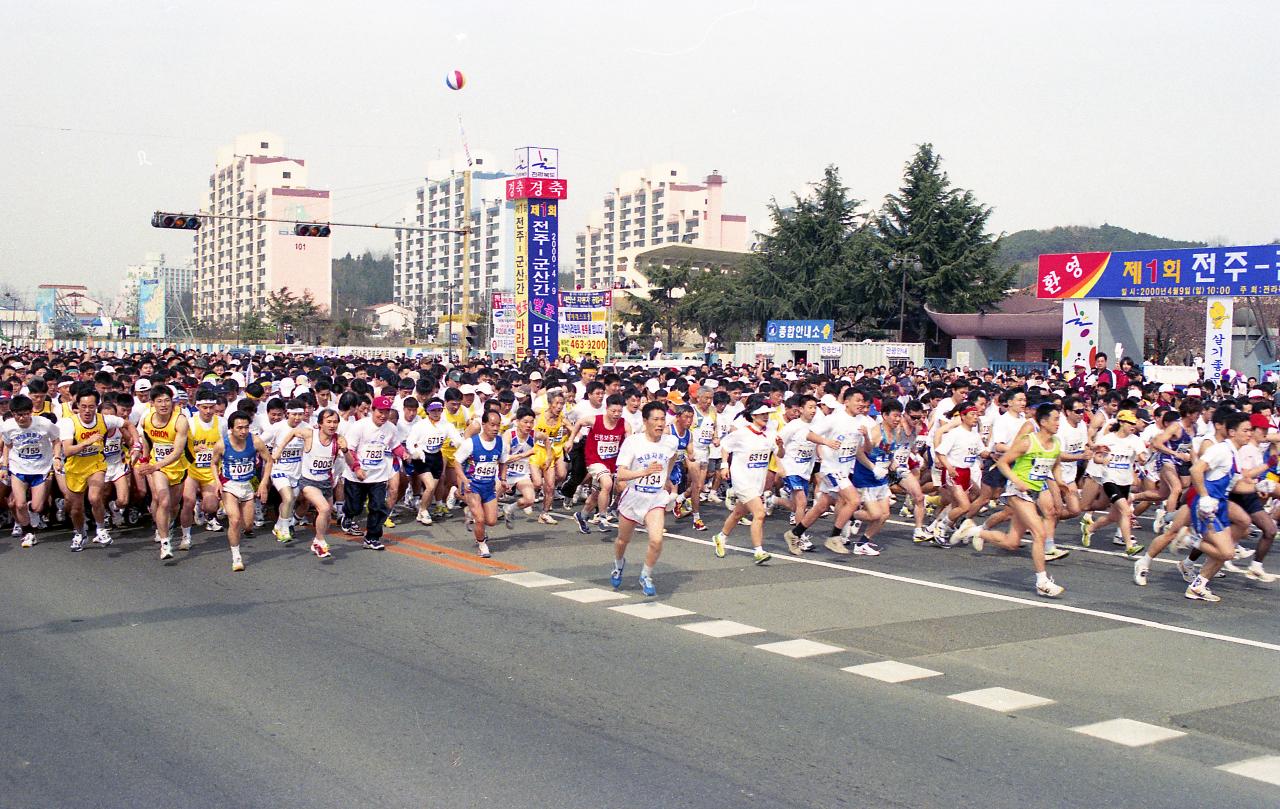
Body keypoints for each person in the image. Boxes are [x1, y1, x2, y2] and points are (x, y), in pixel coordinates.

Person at [958, 403, 1065, 598]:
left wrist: (1061, 482)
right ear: (1043, 421)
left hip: (1033, 493)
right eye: (1056, 419)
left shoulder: (1056, 443)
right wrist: (1017, 480)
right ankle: (1042, 581)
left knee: (1011, 542)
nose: (1059, 423)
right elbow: (1003, 462)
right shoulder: (1027, 442)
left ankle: (974, 530)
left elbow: (1055, 463)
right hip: (1017, 492)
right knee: (1039, 533)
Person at [611, 401, 679, 596]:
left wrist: (666, 477)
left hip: (655, 497)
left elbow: (672, 457)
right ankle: (618, 564)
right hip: (634, 497)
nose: (659, 423)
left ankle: (646, 575)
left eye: (662, 419)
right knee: (623, 540)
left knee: (657, 540)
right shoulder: (633, 442)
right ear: (645, 421)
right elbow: (621, 474)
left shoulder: (670, 441)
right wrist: (644, 472)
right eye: (655, 419)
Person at [59, 387, 136, 550]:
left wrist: (137, 443)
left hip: (96, 465)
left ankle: (101, 530)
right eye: (83, 406)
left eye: (91, 406)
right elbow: (67, 450)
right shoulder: (68, 423)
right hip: (75, 468)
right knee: (76, 509)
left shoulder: (105, 419)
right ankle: (80, 533)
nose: (87, 410)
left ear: (96, 406)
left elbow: (128, 424)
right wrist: (87, 442)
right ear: (77, 406)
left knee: (95, 497)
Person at [710, 402, 777, 564]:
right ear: (753, 416)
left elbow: (778, 452)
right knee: (759, 513)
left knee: (739, 513)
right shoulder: (742, 433)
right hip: (742, 480)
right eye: (762, 414)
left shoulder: (770, 433)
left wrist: (780, 447)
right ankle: (758, 551)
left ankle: (721, 537)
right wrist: (725, 465)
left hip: (757, 482)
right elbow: (725, 446)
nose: (766, 417)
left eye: (767, 414)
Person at [209, 411, 273, 572]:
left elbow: (269, 460)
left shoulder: (256, 441)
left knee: (248, 524)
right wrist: (217, 482)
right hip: (229, 484)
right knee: (235, 520)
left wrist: (263, 483)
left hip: (247, 484)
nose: (243, 431)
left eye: (246, 427)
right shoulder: (222, 444)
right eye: (239, 428)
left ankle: (244, 528)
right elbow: (213, 463)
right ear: (231, 429)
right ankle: (236, 556)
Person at [136, 384, 191, 560]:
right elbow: (146, 441)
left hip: (178, 466)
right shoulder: (146, 419)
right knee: (163, 500)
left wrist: (156, 465)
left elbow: (176, 452)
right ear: (152, 403)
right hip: (157, 467)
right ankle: (165, 543)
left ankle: (170, 524)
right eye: (159, 401)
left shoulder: (180, 420)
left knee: (173, 506)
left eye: (167, 400)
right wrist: (145, 461)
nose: (163, 404)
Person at [1, 395, 61, 548]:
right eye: (18, 415)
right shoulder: (8, 426)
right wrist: (4, 466)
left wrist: (57, 458)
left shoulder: (44, 424)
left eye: (25, 414)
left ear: (31, 412)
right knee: (18, 504)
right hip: (18, 467)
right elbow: (7, 446)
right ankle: (28, 532)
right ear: (13, 414)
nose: (22, 418)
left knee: (37, 507)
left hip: (40, 468)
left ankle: (31, 514)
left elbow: (56, 440)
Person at [454, 409, 507, 558]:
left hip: (489, 487)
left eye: (498, 425)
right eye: (492, 425)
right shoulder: (472, 443)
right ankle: (482, 545)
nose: (495, 428)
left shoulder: (500, 442)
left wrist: (503, 480)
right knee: (480, 519)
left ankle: (458, 497)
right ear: (484, 424)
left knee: (491, 521)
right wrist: (464, 480)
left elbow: (503, 462)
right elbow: (457, 462)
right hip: (473, 486)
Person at [572, 394, 626, 533]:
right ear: (606, 408)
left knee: (597, 495)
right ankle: (602, 517)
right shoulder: (595, 420)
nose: (616, 414)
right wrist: (570, 439)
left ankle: (582, 516)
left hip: (611, 463)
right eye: (613, 411)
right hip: (594, 460)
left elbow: (630, 441)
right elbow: (578, 423)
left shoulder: (624, 424)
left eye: (619, 411)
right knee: (607, 484)